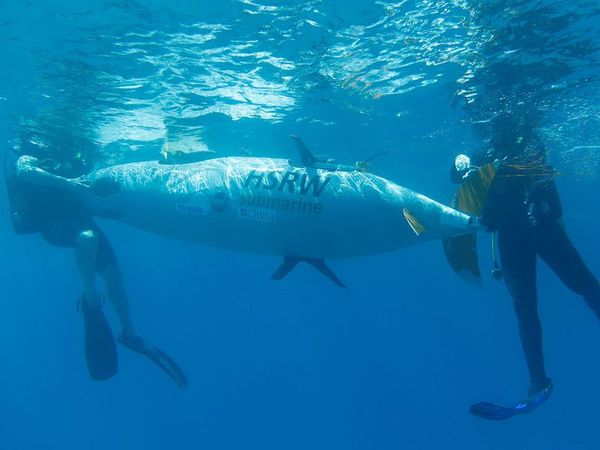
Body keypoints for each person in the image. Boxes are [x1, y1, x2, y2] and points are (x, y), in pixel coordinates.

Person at [450, 114, 600, 420]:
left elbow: (534, 169)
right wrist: (460, 165)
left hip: (543, 230)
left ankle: (537, 381)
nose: (490, 131)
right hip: (512, 239)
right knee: (525, 310)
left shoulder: (529, 144)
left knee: (584, 285)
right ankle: (537, 381)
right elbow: (457, 179)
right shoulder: (486, 156)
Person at [5, 153, 188, 389]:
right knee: (88, 238)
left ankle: (131, 334)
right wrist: (68, 183)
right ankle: (90, 296)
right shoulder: (31, 150)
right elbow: (23, 170)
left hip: (79, 218)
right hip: (53, 225)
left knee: (114, 275)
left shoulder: (80, 150)